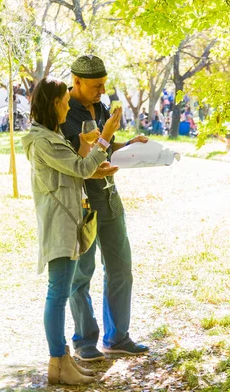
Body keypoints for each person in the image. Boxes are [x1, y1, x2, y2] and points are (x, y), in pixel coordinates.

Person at [22, 77, 113, 385]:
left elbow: (75, 167)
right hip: (59, 225)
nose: (67, 105)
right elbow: (80, 169)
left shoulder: (51, 135)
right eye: (63, 101)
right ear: (52, 104)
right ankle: (58, 362)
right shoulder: (43, 140)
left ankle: (61, 362)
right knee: (57, 294)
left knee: (59, 292)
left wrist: (92, 160)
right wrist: (104, 140)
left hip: (68, 222)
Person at [60, 55, 149, 362]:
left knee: (121, 267)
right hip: (82, 203)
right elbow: (78, 161)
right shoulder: (62, 111)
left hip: (111, 198)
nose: (101, 91)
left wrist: (128, 145)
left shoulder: (98, 108)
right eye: (96, 86)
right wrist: (108, 135)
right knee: (82, 273)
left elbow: (105, 148)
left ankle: (118, 337)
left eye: (103, 85)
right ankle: (85, 340)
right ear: (77, 82)